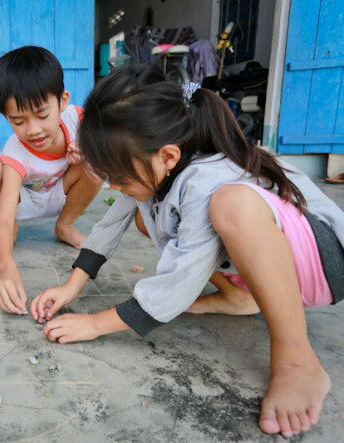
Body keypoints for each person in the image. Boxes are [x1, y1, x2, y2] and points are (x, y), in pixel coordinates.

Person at [31, 64, 344, 438]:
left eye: (119, 176)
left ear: (167, 155)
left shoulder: (207, 179)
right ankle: (239, 297)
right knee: (148, 214)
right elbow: (110, 225)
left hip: (322, 265)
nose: (113, 186)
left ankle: (297, 359)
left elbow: (178, 285)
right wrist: (71, 287)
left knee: (230, 206)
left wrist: (95, 324)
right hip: (284, 265)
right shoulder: (160, 165)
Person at [0, 46, 103, 314]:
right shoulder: (16, 152)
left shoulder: (78, 120)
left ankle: (64, 226)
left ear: (63, 101)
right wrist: (6, 267)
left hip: (61, 194)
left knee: (94, 164)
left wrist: (90, 150)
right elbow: (5, 217)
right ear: (5, 117)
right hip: (26, 201)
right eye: (18, 121)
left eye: (43, 115)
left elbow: (113, 145)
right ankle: (10, 238)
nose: (33, 130)